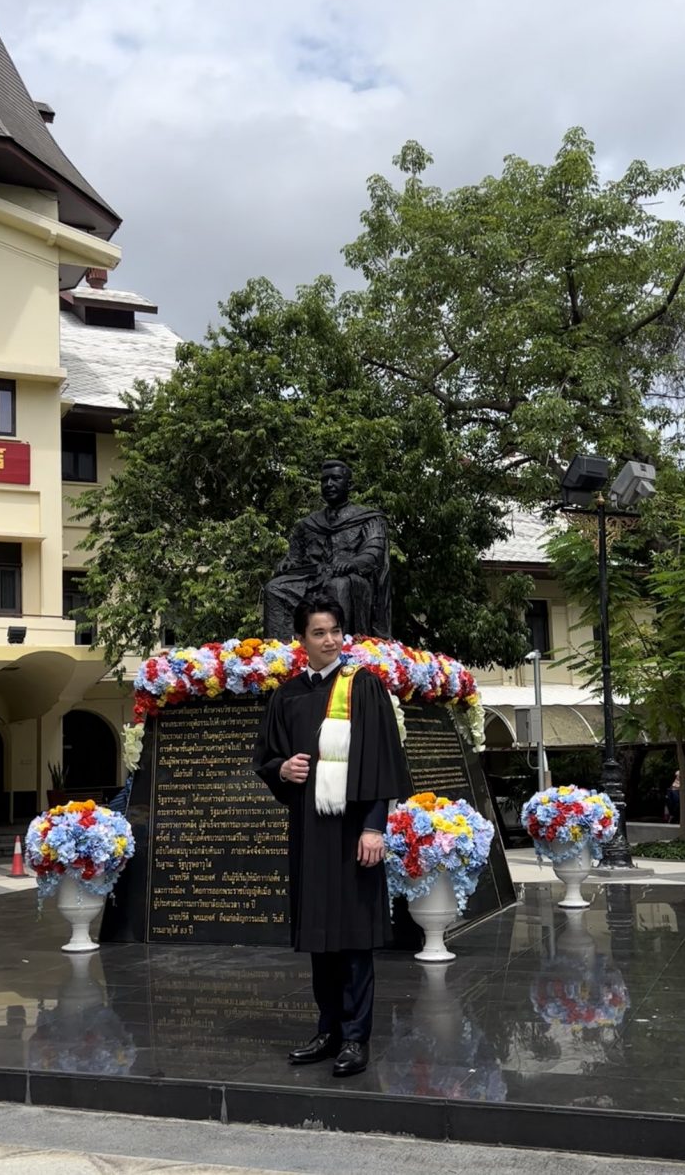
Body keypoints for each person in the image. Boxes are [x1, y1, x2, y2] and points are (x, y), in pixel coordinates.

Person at [254, 593, 412, 1078]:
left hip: (351, 832)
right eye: (318, 632)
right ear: (301, 640)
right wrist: (285, 768)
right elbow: (267, 758)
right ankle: (328, 1030)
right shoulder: (288, 695)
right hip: (309, 831)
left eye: (335, 631)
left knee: (353, 938)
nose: (329, 640)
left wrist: (373, 827)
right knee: (321, 937)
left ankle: (356, 1036)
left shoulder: (363, 687)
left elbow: (384, 760)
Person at [262, 461, 391, 641]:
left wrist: (352, 564)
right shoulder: (308, 524)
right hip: (312, 577)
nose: (329, 484)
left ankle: (340, 649)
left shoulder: (368, 518)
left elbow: (373, 552)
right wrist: (287, 564)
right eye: (324, 480)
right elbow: (295, 558)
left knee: (337, 585)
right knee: (275, 588)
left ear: (349, 485)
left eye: (335, 478)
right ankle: (283, 653)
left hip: (350, 578)